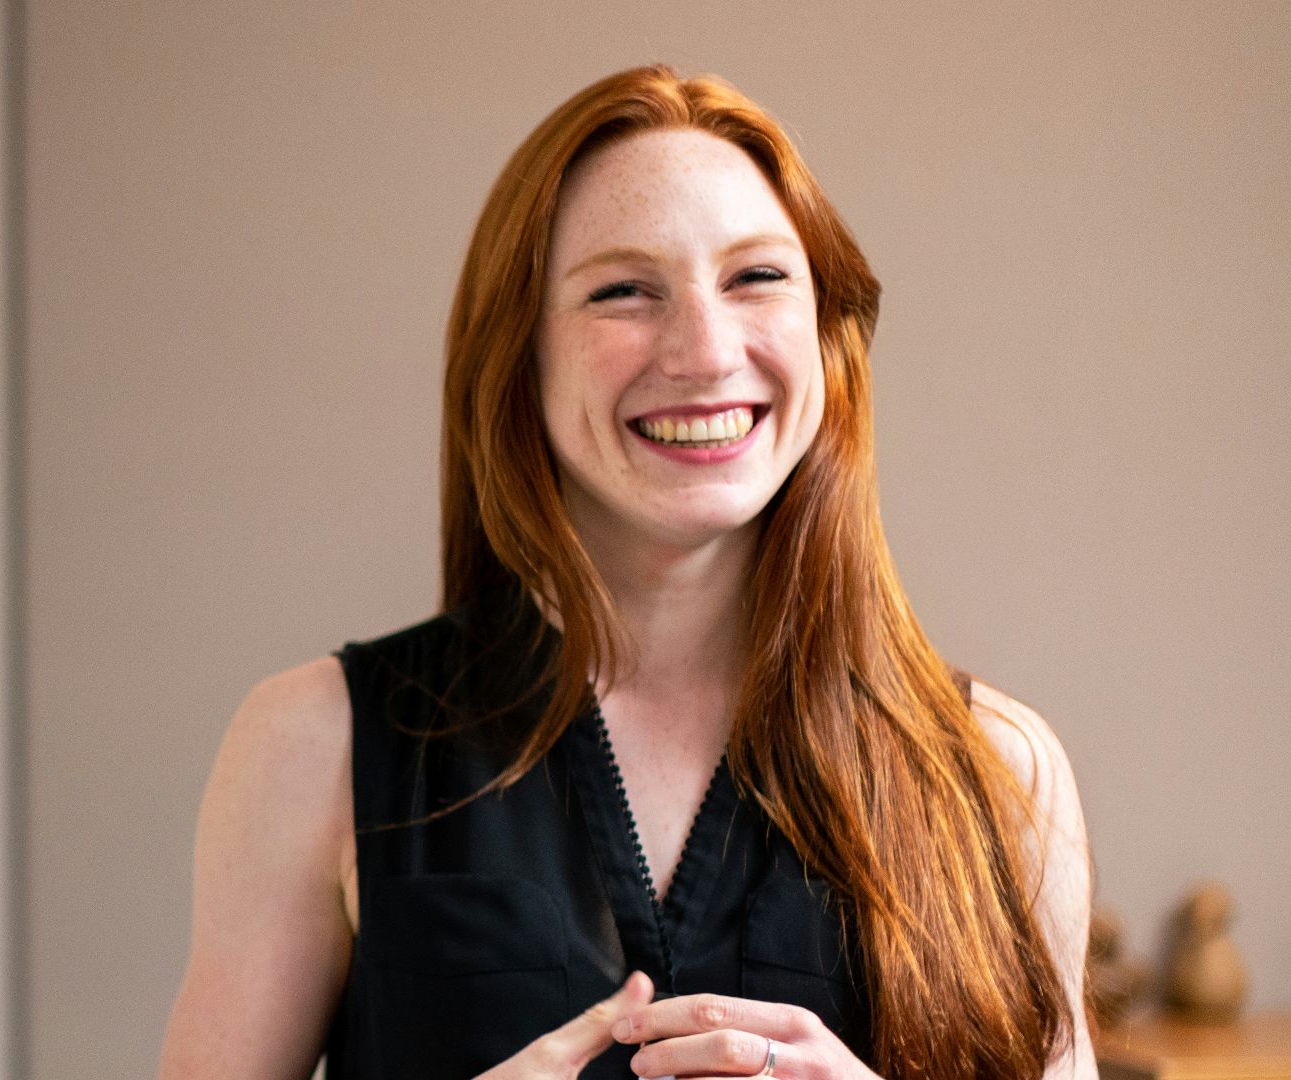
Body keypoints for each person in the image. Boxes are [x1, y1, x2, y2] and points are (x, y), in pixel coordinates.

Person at [158, 65, 1095, 1080]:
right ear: (518, 358)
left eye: (757, 277)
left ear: (828, 334)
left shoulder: (1001, 772)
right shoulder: (312, 747)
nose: (705, 351)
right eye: (622, 292)